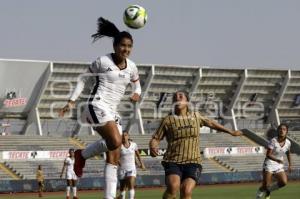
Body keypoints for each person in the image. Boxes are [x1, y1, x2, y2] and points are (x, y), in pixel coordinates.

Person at [59, 17, 141, 199]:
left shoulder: (132, 67)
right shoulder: (103, 61)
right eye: (122, 45)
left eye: (129, 46)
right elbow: (83, 79)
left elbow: (137, 85)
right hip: (96, 105)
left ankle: (108, 197)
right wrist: (71, 101)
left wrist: (137, 93)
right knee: (115, 141)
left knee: (114, 156)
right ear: (115, 46)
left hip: (112, 111)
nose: (126, 49)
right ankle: (83, 154)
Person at [149, 90, 243, 199]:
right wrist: (152, 146)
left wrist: (231, 132)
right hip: (173, 161)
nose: (177, 98)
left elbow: (212, 123)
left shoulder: (196, 116)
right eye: (175, 97)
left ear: (187, 101)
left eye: (180, 96)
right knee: (173, 188)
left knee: (186, 190)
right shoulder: (167, 120)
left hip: (193, 161)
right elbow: (156, 138)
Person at [256, 124, 292, 199]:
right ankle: (259, 193)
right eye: (280, 129)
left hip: (278, 164)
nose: (282, 130)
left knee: (283, 182)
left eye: (284, 129)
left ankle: (268, 191)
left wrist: (290, 165)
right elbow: (268, 154)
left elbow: (288, 153)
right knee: (265, 185)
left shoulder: (288, 142)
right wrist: (276, 160)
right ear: (278, 131)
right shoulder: (273, 141)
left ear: (287, 132)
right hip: (269, 163)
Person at [117, 131, 146, 199]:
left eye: (125, 135)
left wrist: (142, 164)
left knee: (131, 184)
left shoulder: (134, 145)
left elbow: (138, 156)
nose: (124, 137)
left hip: (131, 168)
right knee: (122, 188)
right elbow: (116, 157)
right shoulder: (119, 146)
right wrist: (119, 163)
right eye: (122, 136)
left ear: (128, 136)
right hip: (122, 169)